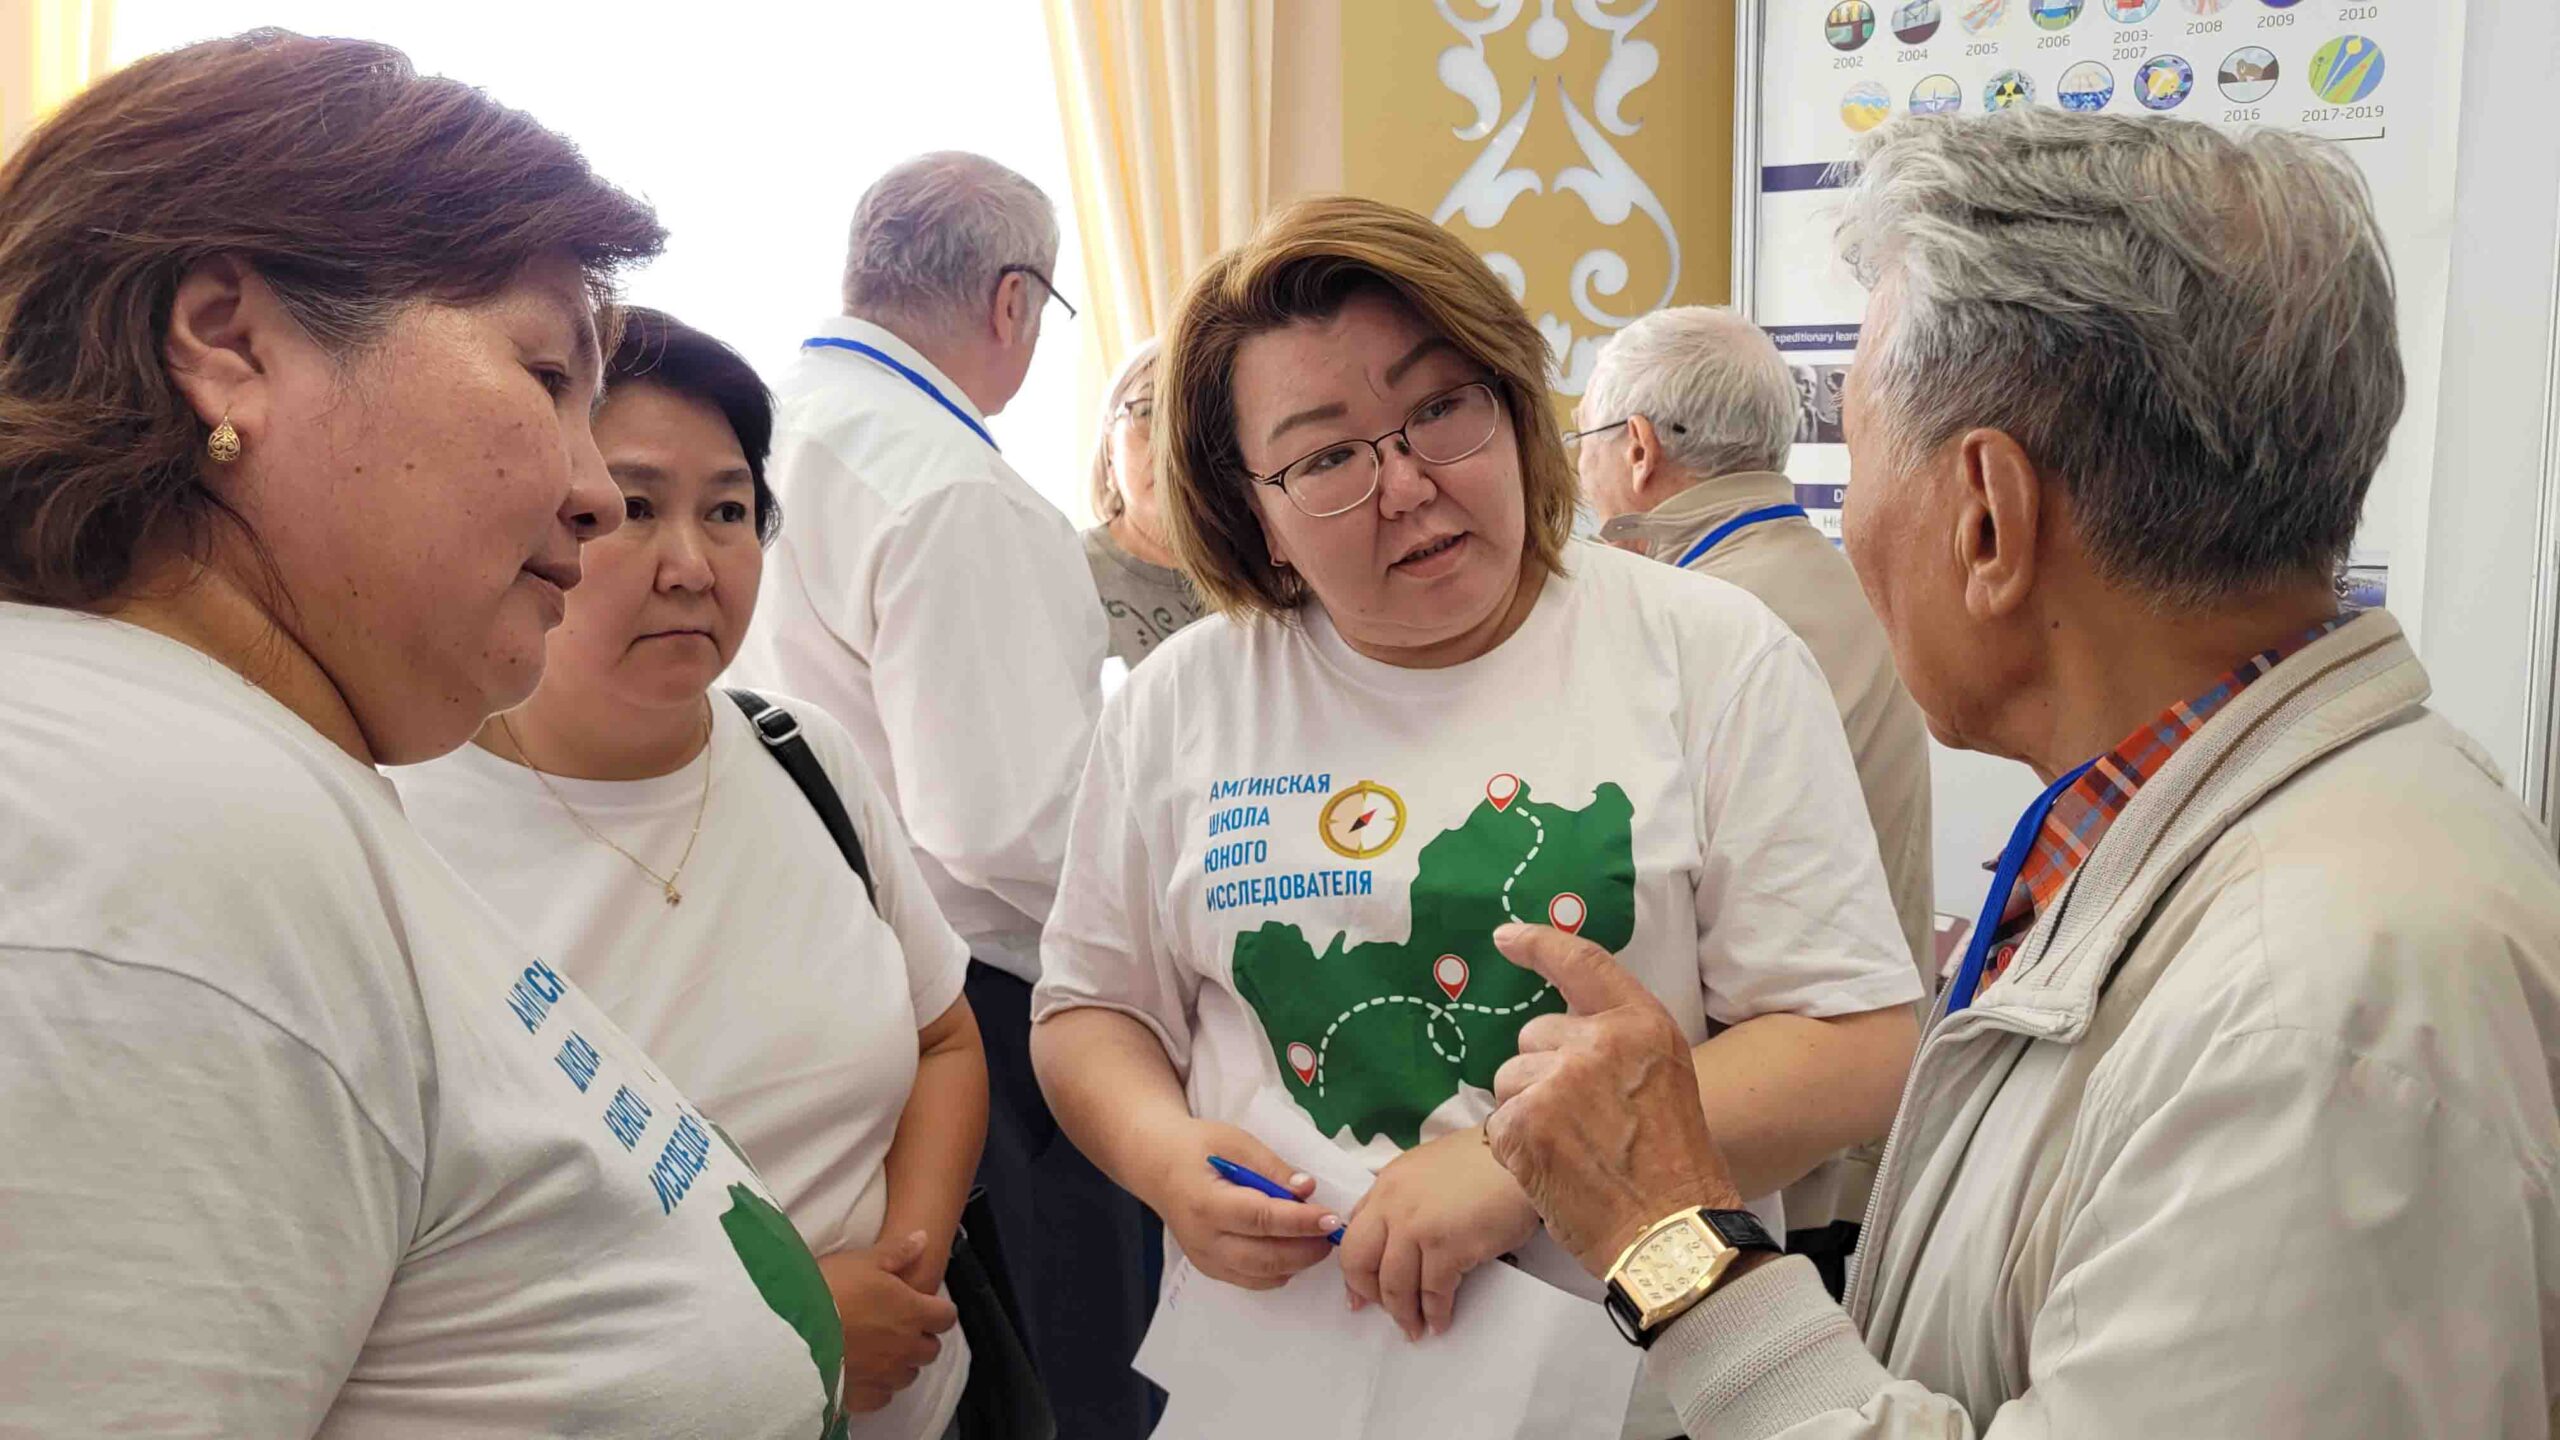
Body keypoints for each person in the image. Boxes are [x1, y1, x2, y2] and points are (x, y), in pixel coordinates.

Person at [1484, 109, 2560, 1438]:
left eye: (1858, 459)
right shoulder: (2238, 856)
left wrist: (1669, 1243)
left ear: (1987, 517)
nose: (1848, 523)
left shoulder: (2306, 1017)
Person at [0, 33, 856, 1436]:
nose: (593, 493)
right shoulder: (135, 848)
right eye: (545, 374)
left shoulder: (238, 781)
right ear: (229, 341)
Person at [1028, 196, 1925, 1438]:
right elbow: (1092, 1010)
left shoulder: (1706, 654)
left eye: (1441, 409)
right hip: (1280, 1384)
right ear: (1250, 510)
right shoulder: (1185, 701)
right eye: (1326, 459)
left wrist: (1518, 1171)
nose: (1405, 486)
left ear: (1511, 402)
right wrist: (1162, 1160)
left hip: (1620, 1393)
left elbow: (1856, 1041)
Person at [390, 309, 987, 1437]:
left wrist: (904, 1273)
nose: (691, 567)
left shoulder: (803, 757)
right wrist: (801, 1330)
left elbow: (943, 1037)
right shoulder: (402, 823)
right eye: (633, 508)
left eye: (727, 511)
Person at [731, 151, 1150, 1439]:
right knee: (1067, 1376)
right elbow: (1005, 824)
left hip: (798, 963)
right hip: (984, 1005)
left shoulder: (763, 425)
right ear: (1012, 301)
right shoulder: (953, 488)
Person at [1572, 305, 1935, 1295]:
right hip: (1848, 1153)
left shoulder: (1700, 630)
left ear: (1635, 448)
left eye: (1583, 440)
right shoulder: (1845, 584)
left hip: (1747, 1161)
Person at [1082, 338, 1207, 674]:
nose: (1172, 442)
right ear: (1110, 448)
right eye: (1148, 412)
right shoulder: (1066, 573)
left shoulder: (1269, 568)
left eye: (1198, 415)